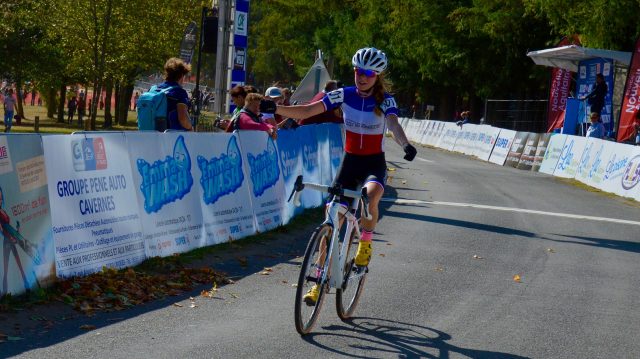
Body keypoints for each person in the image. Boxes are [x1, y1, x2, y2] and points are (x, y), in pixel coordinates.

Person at [271, 47, 417, 305]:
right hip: (350, 163)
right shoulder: (344, 94)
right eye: (359, 72)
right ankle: (317, 279)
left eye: (369, 74)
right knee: (331, 219)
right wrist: (277, 109)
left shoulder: (385, 100)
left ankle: (365, 246)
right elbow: (307, 111)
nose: (363, 77)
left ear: (378, 76)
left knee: (370, 197)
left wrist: (405, 145)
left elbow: (393, 125)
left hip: (373, 163)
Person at [156, 58, 194, 131]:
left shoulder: (155, 89)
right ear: (181, 75)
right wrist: (190, 127)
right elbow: (183, 118)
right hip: (171, 137)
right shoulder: (179, 92)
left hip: (151, 134)